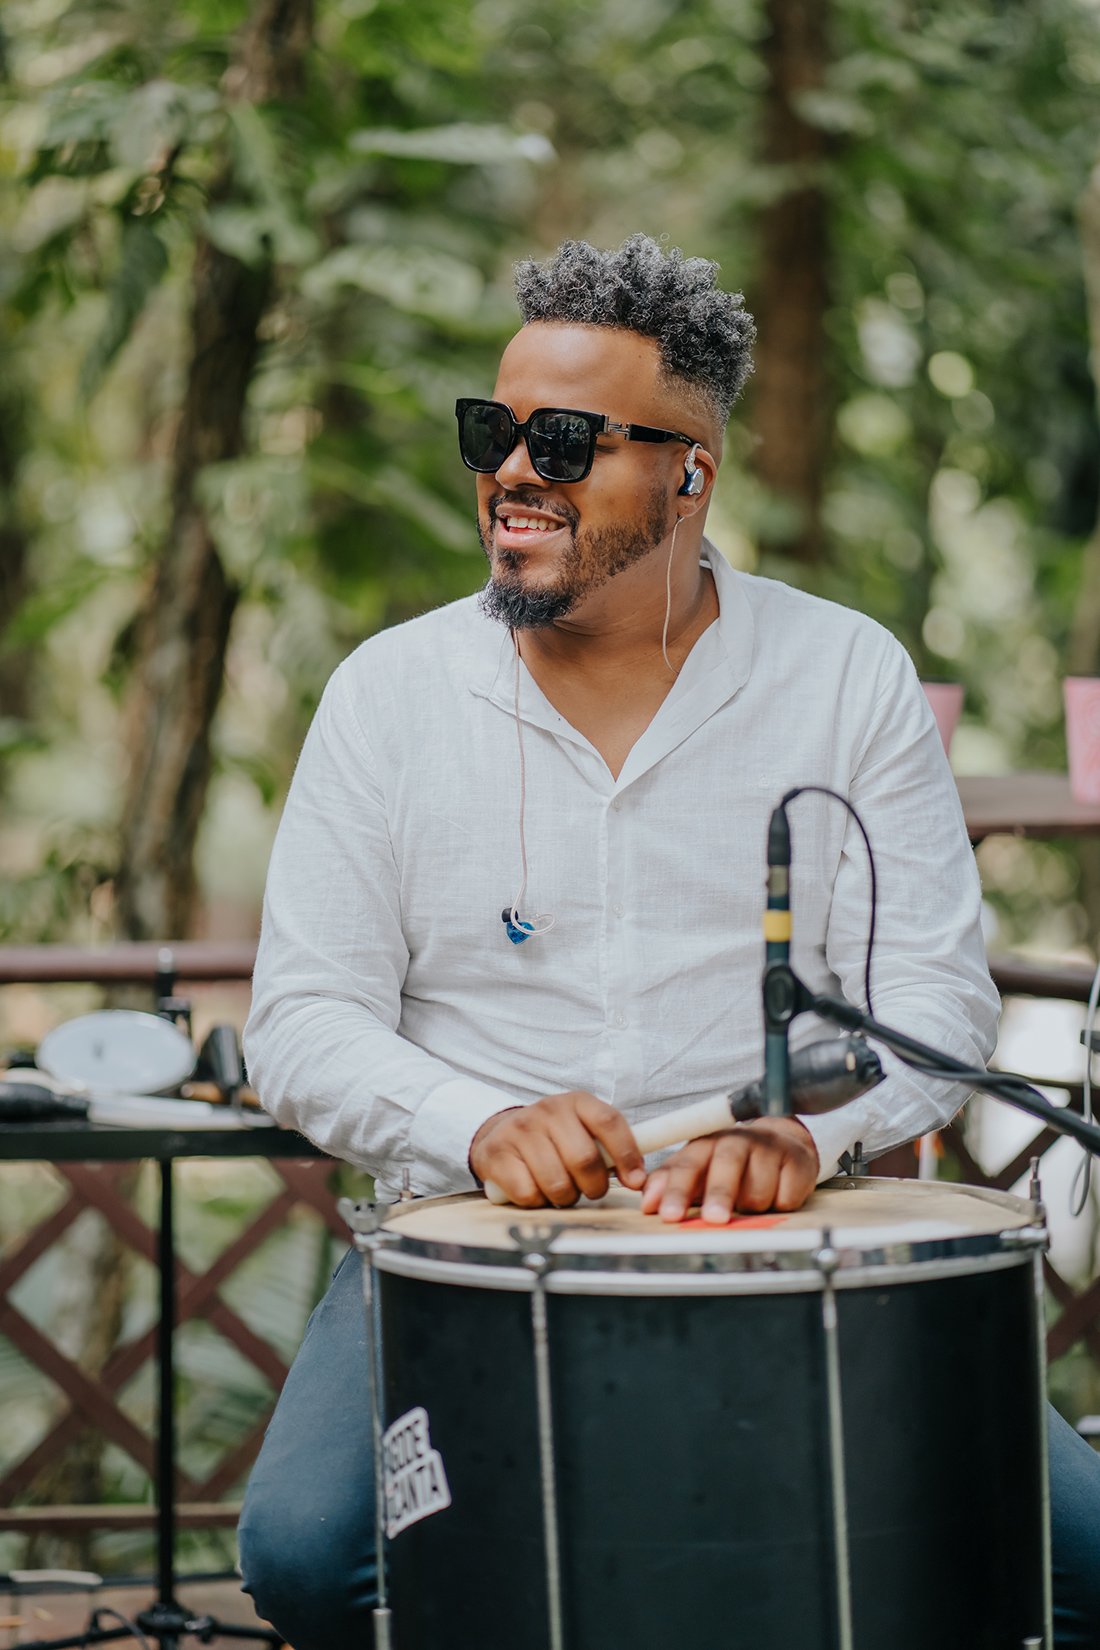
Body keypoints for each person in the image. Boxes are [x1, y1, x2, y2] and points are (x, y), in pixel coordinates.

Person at [237, 235, 1100, 1648]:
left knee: (1080, 1561)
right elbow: (300, 1021)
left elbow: (936, 1002)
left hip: (793, 1250)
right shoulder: (387, 696)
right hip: (466, 1256)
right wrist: (478, 1123)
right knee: (307, 1555)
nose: (517, 470)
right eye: (496, 430)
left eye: (568, 441)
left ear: (691, 473)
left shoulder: (845, 674)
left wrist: (806, 1137)